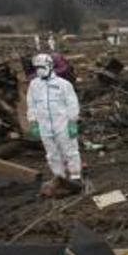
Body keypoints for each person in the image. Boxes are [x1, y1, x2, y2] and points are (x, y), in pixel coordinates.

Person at [26, 53, 82, 197]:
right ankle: (59, 177)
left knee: (70, 150)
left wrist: (72, 122)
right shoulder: (34, 85)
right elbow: (31, 105)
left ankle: (75, 176)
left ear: (50, 66)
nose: (39, 70)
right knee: (52, 154)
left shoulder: (63, 85)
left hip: (62, 124)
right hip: (44, 125)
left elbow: (72, 104)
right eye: (36, 68)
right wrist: (33, 122)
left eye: (42, 67)